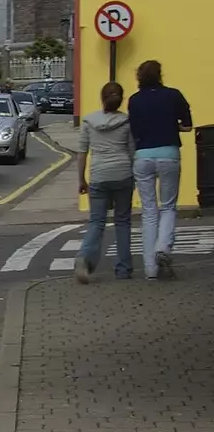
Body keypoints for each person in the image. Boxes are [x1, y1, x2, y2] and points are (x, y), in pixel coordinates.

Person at [127, 60, 194, 280]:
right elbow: (187, 125)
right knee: (167, 207)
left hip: (143, 156)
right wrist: (171, 125)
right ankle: (163, 248)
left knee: (148, 212)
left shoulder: (134, 100)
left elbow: (134, 131)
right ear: (160, 74)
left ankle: (150, 270)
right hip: (169, 155)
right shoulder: (174, 95)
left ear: (140, 77)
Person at [75, 81, 136, 283]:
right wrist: (134, 175)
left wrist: (81, 179)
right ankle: (123, 269)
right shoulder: (127, 122)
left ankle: (84, 259)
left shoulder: (88, 122)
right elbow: (131, 151)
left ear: (102, 98)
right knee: (123, 221)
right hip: (122, 174)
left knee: (97, 221)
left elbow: (82, 153)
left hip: (99, 176)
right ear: (121, 100)